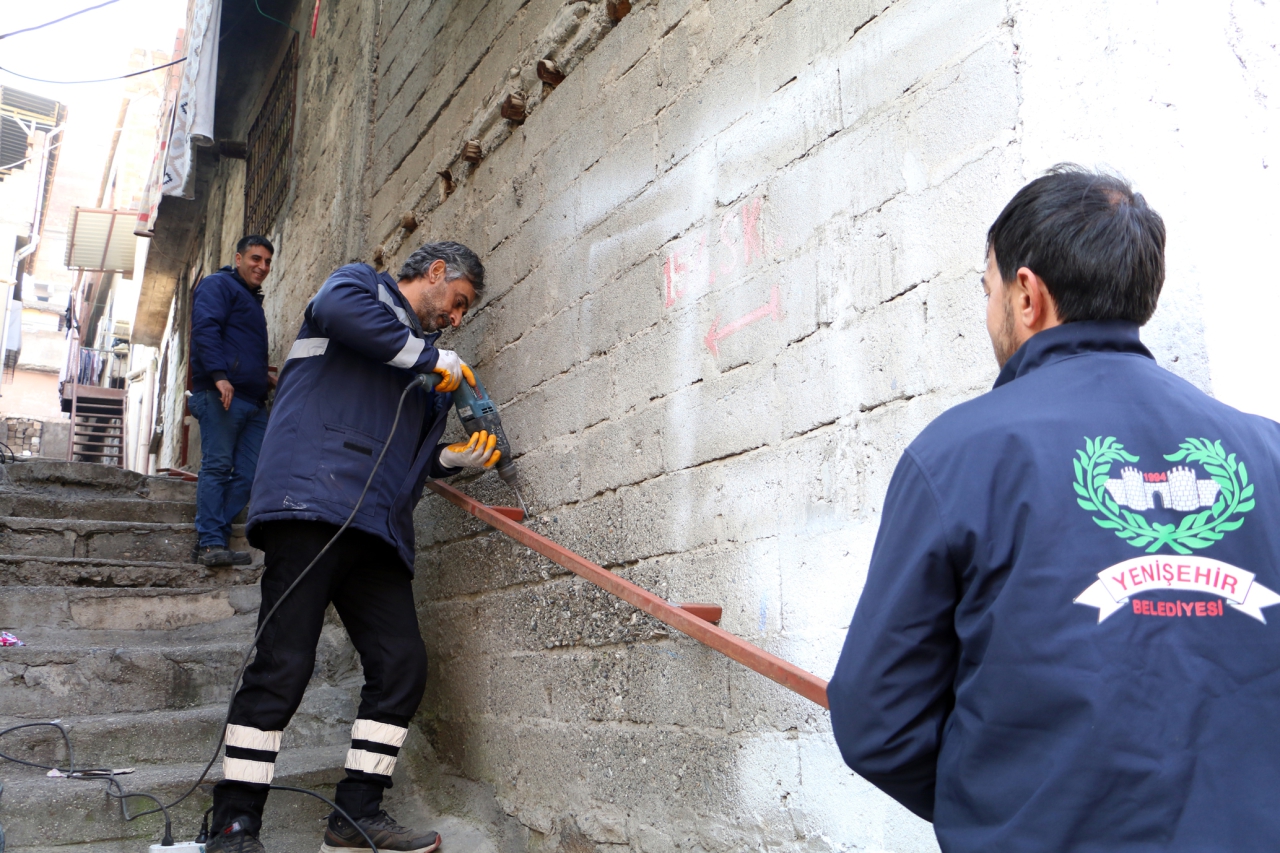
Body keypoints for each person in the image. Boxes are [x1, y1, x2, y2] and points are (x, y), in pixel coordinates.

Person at [827, 165, 1280, 852]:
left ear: (1027, 294)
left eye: (989, 291)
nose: (990, 313)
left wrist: (1005, 805)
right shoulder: (1266, 452)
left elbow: (875, 718)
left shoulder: (957, 453)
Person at [206, 242, 502, 853]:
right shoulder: (357, 287)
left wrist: (451, 458)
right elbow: (342, 312)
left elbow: (404, 455)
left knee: (401, 666)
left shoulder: (426, 372)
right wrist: (430, 358)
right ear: (437, 273)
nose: (456, 317)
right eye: (459, 301)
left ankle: (355, 815)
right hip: (309, 505)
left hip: (376, 526)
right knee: (283, 663)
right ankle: (234, 824)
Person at [188, 235, 277, 567]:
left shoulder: (251, 299)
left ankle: (215, 534)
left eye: (267, 262)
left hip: (252, 400)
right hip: (220, 394)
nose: (262, 267)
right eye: (256, 259)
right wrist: (219, 375)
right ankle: (211, 543)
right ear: (238, 259)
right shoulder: (217, 285)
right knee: (217, 466)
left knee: (252, 472)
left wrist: (263, 377)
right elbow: (206, 330)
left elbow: (238, 345)